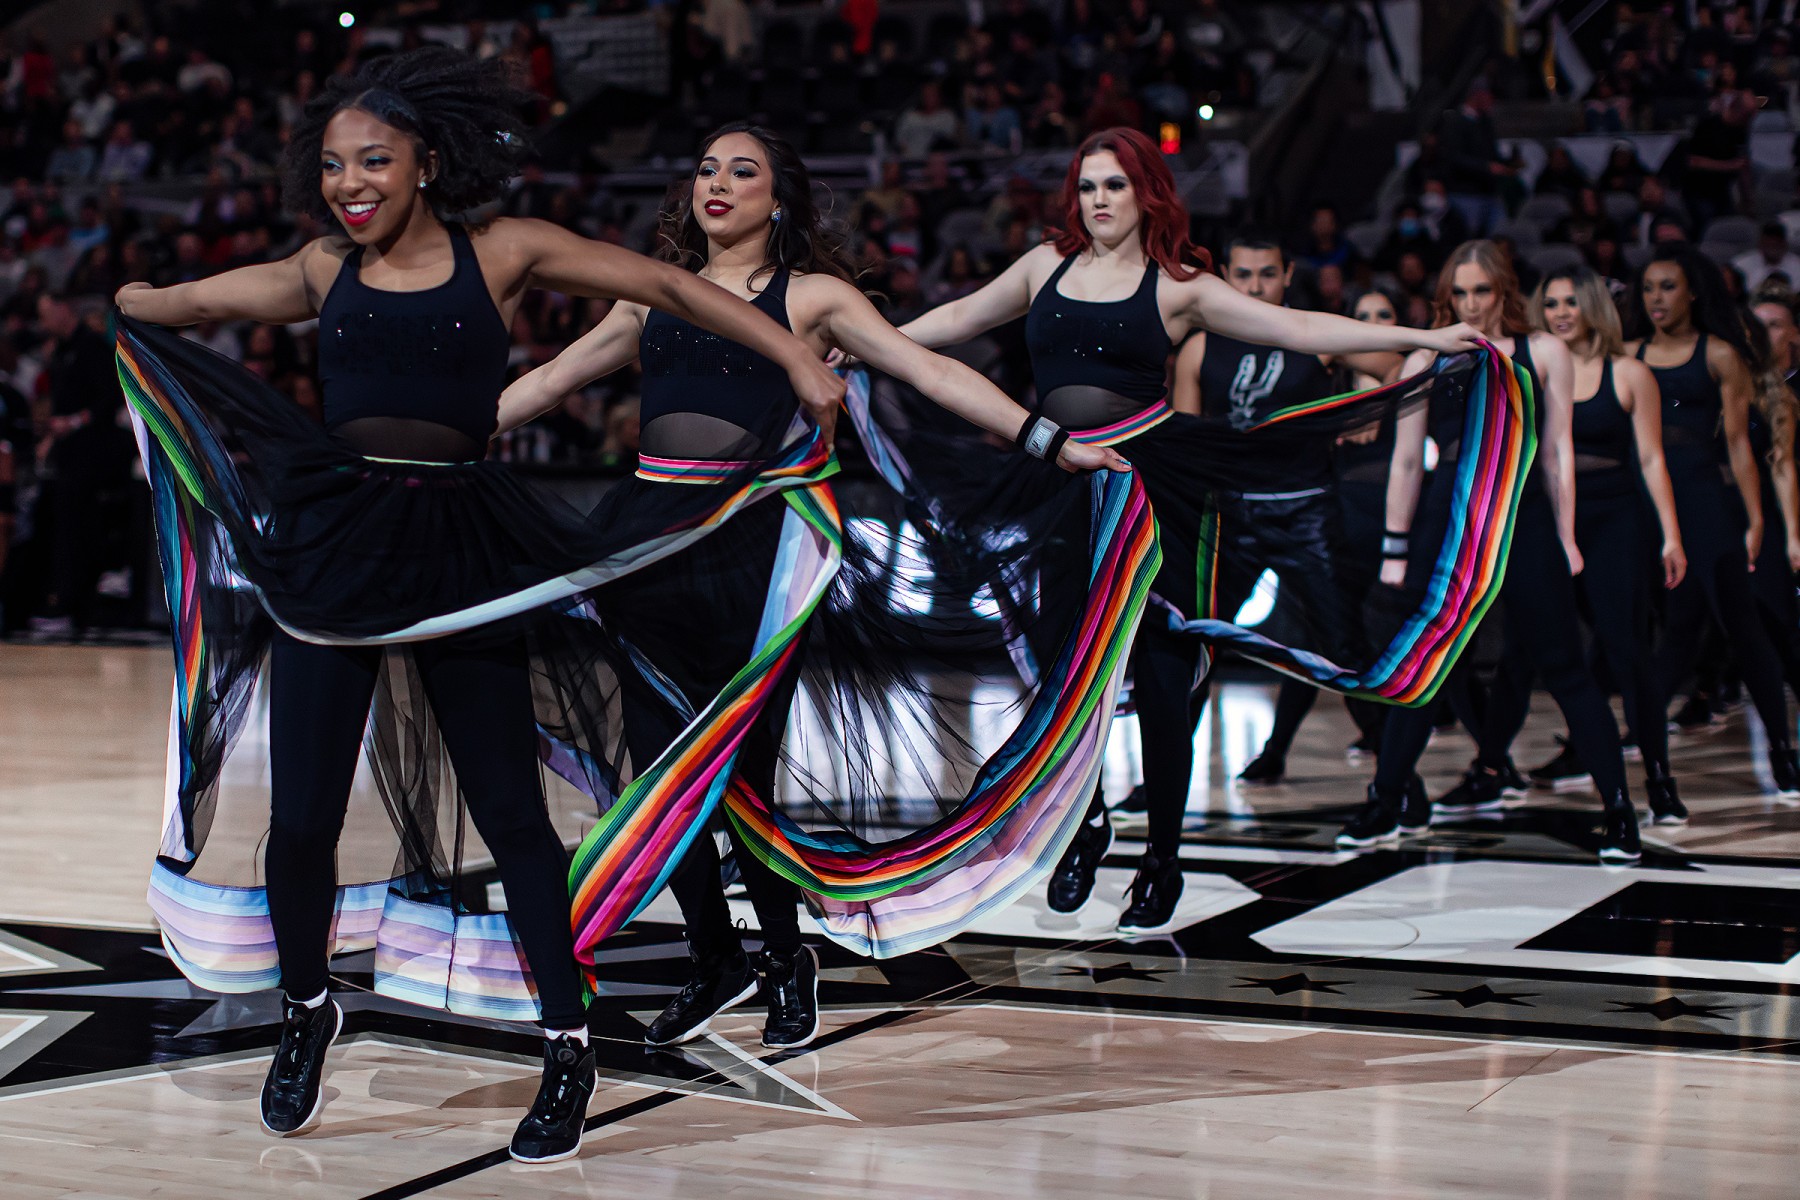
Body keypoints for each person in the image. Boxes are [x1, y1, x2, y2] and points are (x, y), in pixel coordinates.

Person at [112, 48, 843, 1164]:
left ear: (426, 162)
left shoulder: (504, 250)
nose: (349, 184)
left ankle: (567, 1041)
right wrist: (131, 302)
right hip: (340, 553)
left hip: (463, 550)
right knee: (299, 819)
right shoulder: (320, 268)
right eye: (333, 165)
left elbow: (670, 288)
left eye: (373, 161)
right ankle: (306, 1008)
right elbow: (190, 302)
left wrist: (792, 354)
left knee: (510, 813)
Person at [496, 122, 1125, 1051]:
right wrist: (439, 442)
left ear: (778, 199)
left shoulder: (814, 297)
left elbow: (928, 368)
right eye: (705, 168)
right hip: (649, 549)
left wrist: (1050, 441)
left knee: (739, 777)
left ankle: (785, 956)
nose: (717, 183)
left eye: (742, 171)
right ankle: (714, 957)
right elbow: (552, 378)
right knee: (656, 773)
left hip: (760, 559)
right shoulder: (651, 291)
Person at [895, 128, 1493, 933]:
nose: (1097, 200)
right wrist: (862, 346)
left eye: (1113, 185)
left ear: (1146, 194)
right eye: (1086, 186)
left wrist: (1421, 339)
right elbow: (960, 316)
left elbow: (1300, 330)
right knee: (1061, 672)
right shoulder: (1044, 266)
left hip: (1148, 487)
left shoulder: (1179, 287)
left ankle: (1163, 858)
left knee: (1163, 674)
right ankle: (1084, 820)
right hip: (1059, 487)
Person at [1336, 240, 1644, 864]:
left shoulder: (1544, 351)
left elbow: (1556, 453)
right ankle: (1387, 800)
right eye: (1460, 292)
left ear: (1504, 290)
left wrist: (1566, 536)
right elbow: (1406, 461)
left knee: (1564, 667)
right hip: (1447, 521)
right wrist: (1395, 547)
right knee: (1422, 670)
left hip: (1521, 516)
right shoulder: (1427, 356)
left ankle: (1619, 812)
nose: (1471, 303)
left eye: (1482, 290)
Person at [1175, 233, 1399, 787]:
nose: (1255, 286)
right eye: (1244, 274)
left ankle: (1397, 787)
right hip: (1232, 517)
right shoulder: (1201, 347)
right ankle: (1163, 783)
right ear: (1225, 274)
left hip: (1308, 512)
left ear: (1289, 273)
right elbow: (1185, 446)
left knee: (1344, 649)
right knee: (1195, 647)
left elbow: (1397, 365)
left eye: (1268, 273)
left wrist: (1368, 408)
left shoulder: (1312, 332)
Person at [1628, 245, 1800, 796]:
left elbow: (1739, 446)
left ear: (1693, 293)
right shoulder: (1628, 356)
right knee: (1669, 637)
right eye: (1648, 287)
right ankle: (1652, 766)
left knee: (1741, 631)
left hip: (1707, 507)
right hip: (1648, 509)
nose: (1656, 298)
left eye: (1668, 286)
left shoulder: (1719, 353)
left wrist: (1755, 520)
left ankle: (1781, 751)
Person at [1526, 266, 1688, 824]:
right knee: (1544, 654)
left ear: (1593, 306)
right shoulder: (1533, 371)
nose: (1560, 313)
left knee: (1627, 651)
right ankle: (1503, 766)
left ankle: (1659, 779)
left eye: (1571, 302)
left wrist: (1671, 534)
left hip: (1615, 519)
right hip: (1549, 519)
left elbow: (1652, 458)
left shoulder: (1629, 372)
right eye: (1551, 303)